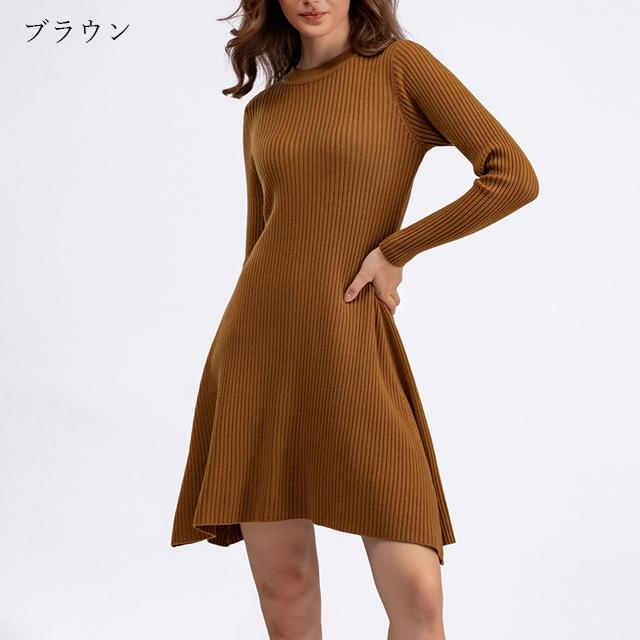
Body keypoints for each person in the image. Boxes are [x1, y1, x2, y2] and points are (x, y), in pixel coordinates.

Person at [171, 1, 539, 638]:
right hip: (258, 345)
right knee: (285, 590)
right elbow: (260, 241)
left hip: (350, 336)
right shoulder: (264, 111)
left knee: (417, 597)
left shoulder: (402, 68)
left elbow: (511, 175)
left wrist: (397, 251)